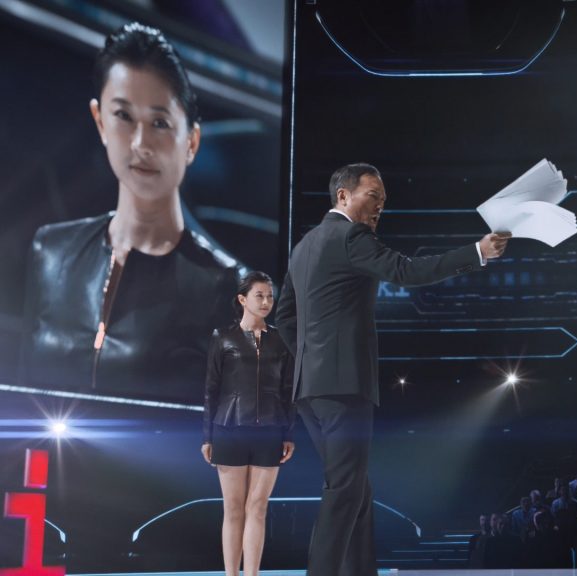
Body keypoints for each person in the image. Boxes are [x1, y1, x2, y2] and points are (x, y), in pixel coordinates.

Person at [276, 162, 509, 575]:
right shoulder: (352, 236)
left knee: (356, 489)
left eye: (383, 200)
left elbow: (284, 318)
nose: (380, 206)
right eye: (373, 196)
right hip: (343, 387)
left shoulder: (304, 246)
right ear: (343, 196)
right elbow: (406, 270)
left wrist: (312, 361)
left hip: (309, 391)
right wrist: (477, 252)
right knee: (344, 489)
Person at [20, 22, 240, 401]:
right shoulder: (51, 253)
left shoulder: (224, 286)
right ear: (100, 121)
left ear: (191, 141)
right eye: (123, 116)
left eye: (159, 123)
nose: (140, 143)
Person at [202, 271, 295, 576]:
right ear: (242, 299)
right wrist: (207, 436)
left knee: (258, 506)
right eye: (260, 295)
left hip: (270, 431)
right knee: (233, 508)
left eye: (270, 296)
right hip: (228, 429)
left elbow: (287, 390)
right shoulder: (222, 337)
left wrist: (288, 432)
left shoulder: (281, 339)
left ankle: (252, 574)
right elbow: (211, 389)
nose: (266, 301)